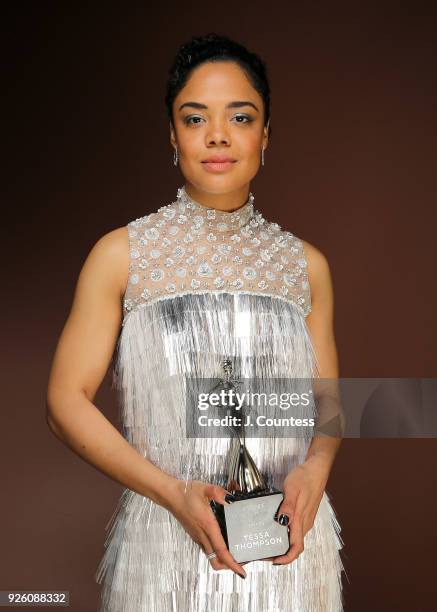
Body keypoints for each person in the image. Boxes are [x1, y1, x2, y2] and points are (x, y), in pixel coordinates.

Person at [46, 32, 345, 611]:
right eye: (194, 117)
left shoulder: (306, 266)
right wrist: (172, 492)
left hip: (289, 544)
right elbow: (65, 401)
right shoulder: (122, 254)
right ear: (173, 135)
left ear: (265, 135)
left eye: (240, 116)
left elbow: (326, 403)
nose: (217, 135)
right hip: (168, 543)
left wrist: (317, 469)